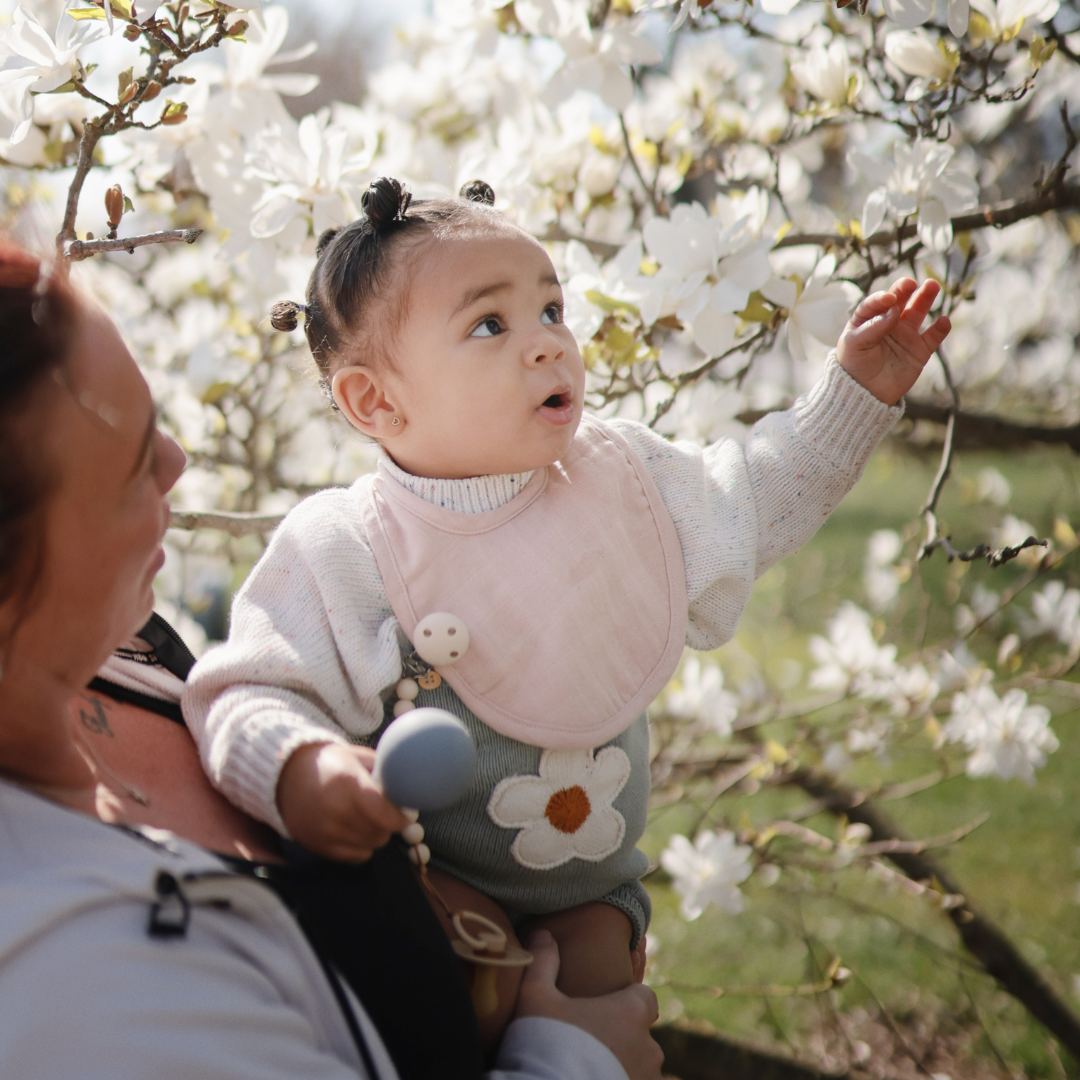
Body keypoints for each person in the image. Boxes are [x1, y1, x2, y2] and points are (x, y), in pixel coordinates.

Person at [183, 175, 950, 1032]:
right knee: (445, 1022)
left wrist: (852, 394)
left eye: (551, 311)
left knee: (592, 1012)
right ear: (377, 401)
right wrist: (300, 768)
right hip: (418, 884)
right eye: (489, 324)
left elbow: (755, 498)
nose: (548, 345)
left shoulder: (619, 480)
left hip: (587, 898)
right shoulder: (347, 545)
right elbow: (247, 688)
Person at [0, 240, 664, 1080]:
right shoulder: (73, 985)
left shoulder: (116, 657)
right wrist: (576, 1062)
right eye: (134, 465)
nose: (178, 463)